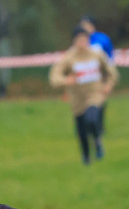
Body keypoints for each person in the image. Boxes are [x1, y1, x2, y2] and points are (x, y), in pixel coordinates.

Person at [49, 25, 118, 165]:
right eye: (79, 40)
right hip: (77, 99)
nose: (82, 43)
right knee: (81, 130)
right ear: (74, 41)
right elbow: (54, 77)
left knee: (91, 119)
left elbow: (112, 72)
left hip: (95, 95)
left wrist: (108, 85)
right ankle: (86, 156)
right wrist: (66, 80)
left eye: (84, 40)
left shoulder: (97, 54)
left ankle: (98, 140)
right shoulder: (69, 57)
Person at [78, 16, 114, 134]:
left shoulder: (102, 39)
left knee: (99, 100)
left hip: (100, 75)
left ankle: (98, 126)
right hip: (85, 76)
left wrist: (108, 75)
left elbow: (110, 56)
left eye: (87, 25)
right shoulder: (81, 40)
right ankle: (88, 125)